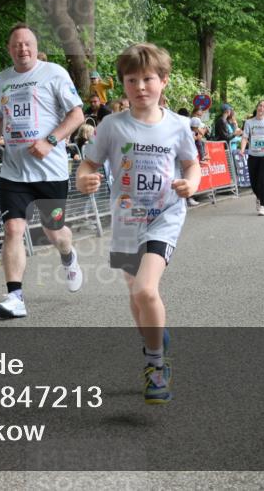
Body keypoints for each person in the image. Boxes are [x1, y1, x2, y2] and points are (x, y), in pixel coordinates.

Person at [76, 42, 200, 404]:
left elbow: (191, 164)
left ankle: (156, 364)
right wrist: (85, 177)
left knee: (146, 289)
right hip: (126, 220)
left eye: (148, 79)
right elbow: (90, 164)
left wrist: (189, 184)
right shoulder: (112, 126)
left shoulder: (177, 126)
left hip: (164, 216)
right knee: (136, 294)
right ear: (123, 85)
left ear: (163, 81)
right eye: (132, 80)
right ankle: (154, 338)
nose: (141, 87)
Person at [0, 23, 85, 318]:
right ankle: (15, 297)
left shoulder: (54, 73)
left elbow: (77, 114)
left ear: (36, 47)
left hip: (50, 171)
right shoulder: (1, 80)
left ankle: (68, 255)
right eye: (16, 45)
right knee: (13, 228)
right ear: (9, 49)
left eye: (27, 44)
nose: (22, 49)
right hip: (13, 171)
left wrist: (51, 141)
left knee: (54, 232)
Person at [240, 100, 264, 216]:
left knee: (262, 180)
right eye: (260, 106)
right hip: (253, 155)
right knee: (253, 182)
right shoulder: (249, 123)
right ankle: (258, 196)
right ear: (257, 107)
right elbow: (245, 137)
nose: (262, 108)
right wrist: (242, 150)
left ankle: (262, 206)